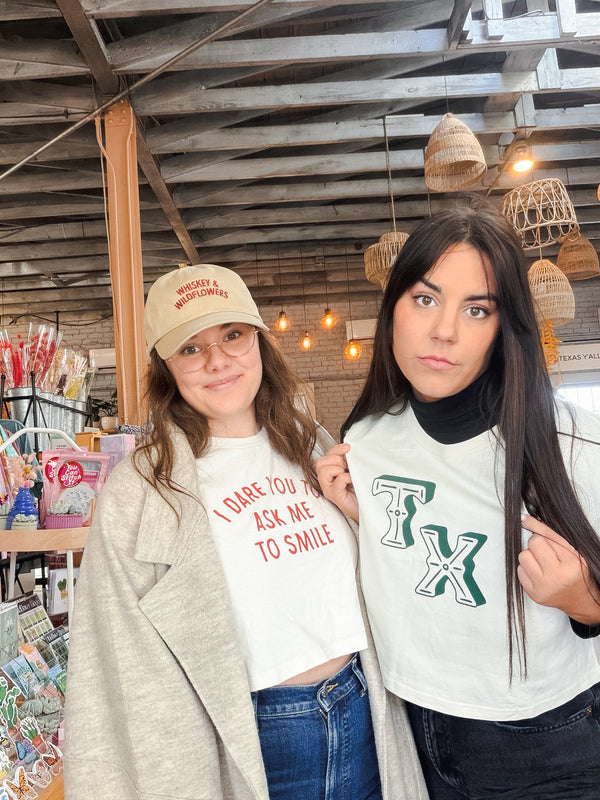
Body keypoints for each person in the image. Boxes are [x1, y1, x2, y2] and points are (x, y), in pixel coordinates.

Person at [63, 263, 428, 800]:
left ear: (258, 339)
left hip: (363, 709)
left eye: (232, 335)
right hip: (254, 742)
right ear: (165, 365)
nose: (217, 361)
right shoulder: (139, 491)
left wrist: (360, 518)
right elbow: (108, 665)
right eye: (190, 348)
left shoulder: (310, 442)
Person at [316, 201, 600, 800]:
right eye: (425, 299)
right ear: (392, 306)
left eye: (477, 310)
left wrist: (584, 602)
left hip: (543, 742)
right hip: (406, 728)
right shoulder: (366, 441)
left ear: (504, 328)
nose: (443, 330)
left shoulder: (574, 444)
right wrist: (365, 520)